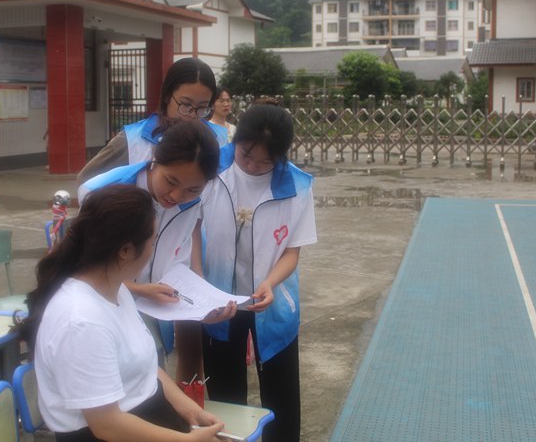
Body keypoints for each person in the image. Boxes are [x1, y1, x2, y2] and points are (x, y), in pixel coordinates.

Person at [18, 185, 225, 441]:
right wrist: (186, 440)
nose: (153, 249)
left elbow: (145, 370)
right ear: (125, 251)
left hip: (144, 416)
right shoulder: (81, 321)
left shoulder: (116, 289)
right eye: (152, 241)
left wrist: (191, 411)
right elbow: (106, 425)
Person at [78, 119, 236, 384]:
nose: (176, 196)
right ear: (155, 159)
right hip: (99, 314)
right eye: (171, 181)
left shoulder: (192, 204)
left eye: (193, 189)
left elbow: (176, 265)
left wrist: (201, 309)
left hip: (149, 316)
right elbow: (83, 269)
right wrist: (139, 290)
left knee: (151, 384)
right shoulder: (107, 194)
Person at [199, 104, 317, 442]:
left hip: (272, 302)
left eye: (264, 162)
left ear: (280, 157)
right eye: (246, 155)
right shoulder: (209, 167)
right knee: (224, 396)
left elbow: (292, 251)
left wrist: (270, 282)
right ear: (237, 140)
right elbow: (190, 228)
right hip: (220, 300)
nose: (252, 166)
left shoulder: (296, 185)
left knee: (281, 397)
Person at [77, 57, 228, 184]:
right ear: (167, 96)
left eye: (202, 107)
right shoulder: (133, 140)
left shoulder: (218, 139)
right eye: (186, 104)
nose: (193, 115)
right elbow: (86, 180)